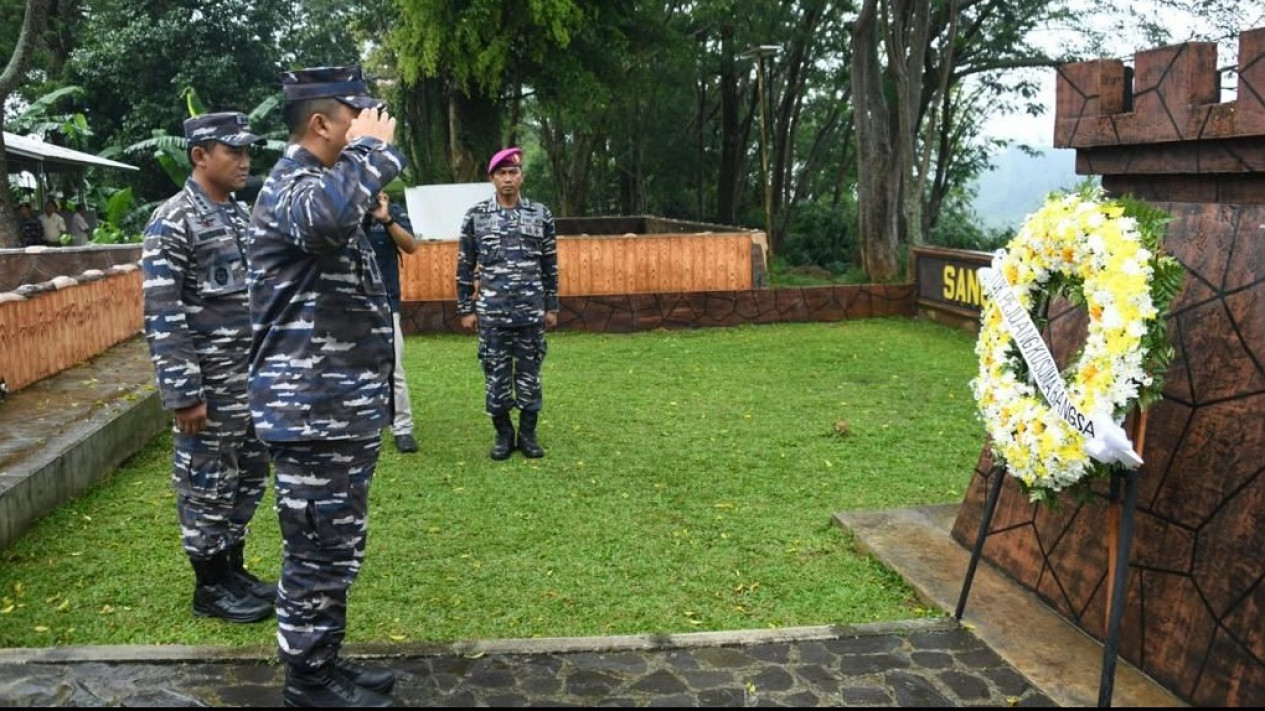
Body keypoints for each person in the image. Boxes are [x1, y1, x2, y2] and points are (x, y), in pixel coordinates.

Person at [246, 65, 403, 708]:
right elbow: (328, 223)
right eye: (354, 116)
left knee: (335, 545)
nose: (365, 125)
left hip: (335, 409)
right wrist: (372, 151)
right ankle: (308, 682)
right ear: (322, 123)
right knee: (315, 549)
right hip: (311, 410)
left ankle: (324, 660)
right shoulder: (294, 185)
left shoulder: (325, 184)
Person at [139, 111, 275, 626]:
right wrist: (183, 392)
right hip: (208, 387)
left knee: (247, 475)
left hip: (250, 382)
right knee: (205, 481)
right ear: (200, 156)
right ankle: (209, 586)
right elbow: (162, 311)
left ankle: (231, 568)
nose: (245, 160)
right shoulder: (174, 220)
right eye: (233, 151)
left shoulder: (240, 216)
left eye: (247, 151)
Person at [456, 146, 559, 460]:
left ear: (522, 177)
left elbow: (550, 265)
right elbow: (464, 265)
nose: (508, 179)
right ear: (492, 178)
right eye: (501, 173)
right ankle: (503, 435)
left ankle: (527, 435)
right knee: (496, 377)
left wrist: (552, 305)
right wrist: (465, 308)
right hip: (493, 314)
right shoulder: (476, 216)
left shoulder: (540, 214)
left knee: (530, 376)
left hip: (530, 312)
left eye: (513, 172)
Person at [363, 190, 420, 454]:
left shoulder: (390, 210)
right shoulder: (337, 208)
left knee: (393, 369)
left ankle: (402, 428)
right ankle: (361, 426)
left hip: (384, 301)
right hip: (344, 304)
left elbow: (410, 245)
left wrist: (385, 220)